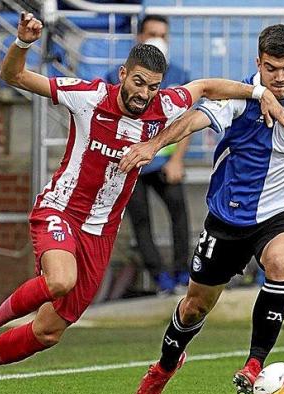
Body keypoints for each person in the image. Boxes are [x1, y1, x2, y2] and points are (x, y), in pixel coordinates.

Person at [0, 11, 284, 394]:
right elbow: (14, 77)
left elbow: (207, 85)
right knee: (60, 280)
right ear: (123, 74)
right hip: (60, 211)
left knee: (48, 332)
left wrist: (260, 94)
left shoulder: (164, 105)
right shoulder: (89, 95)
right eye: (138, 82)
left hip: (101, 231)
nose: (144, 93)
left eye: (153, 87)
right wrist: (23, 43)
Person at [121, 24, 284, 394]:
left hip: (281, 213)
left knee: (280, 261)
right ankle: (165, 365)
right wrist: (152, 145)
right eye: (271, 68)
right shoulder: (239, 97)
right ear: (258, 63)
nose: (280, 77)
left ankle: (254, 364)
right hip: (227, 219)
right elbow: (193, 120)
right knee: (195, 306)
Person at [105, 15, 192, 293]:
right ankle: (161, 280)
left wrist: (177, 159)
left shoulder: (179, 75)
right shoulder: (116, 76)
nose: (158, 39)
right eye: (152, 33)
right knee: (141, 221)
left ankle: (183, 274)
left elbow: (186, 122)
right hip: (132, 161)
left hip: (165, 160)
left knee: (180, 213)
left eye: (163, 35)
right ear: (139, 37)